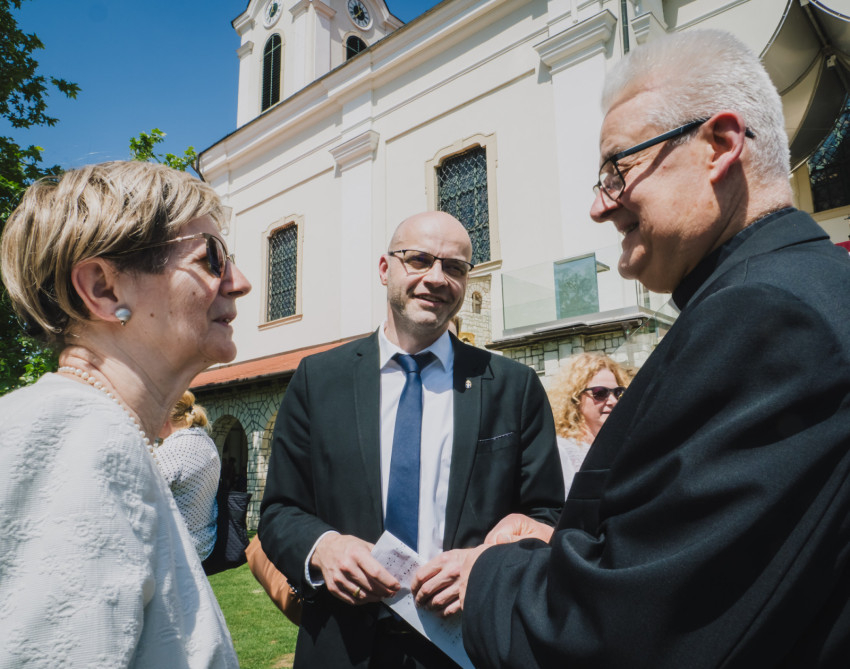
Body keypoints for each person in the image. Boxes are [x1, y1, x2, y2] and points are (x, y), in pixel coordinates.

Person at [457, 29, 850, 667]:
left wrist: (489, 572)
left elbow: (627, 633)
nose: (599, 206)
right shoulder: (803, 289)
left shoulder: (765, 319)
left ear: (719, 145)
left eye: (618, 169)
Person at [259, 211, 564, 668]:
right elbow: (280, 510)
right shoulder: (318, 380)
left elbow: (549, 516)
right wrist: (324, 547)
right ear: (385, 269)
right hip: (344, 646)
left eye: (454, 267)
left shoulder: (513, 387)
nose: (436, 278)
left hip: (467, 646)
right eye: (419, 259)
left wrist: (488, 566)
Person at [0, 161, 251, 667]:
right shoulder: (76, 437)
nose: (239, 283)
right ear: (104, 289)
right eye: (211, 258)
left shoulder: (106, 431)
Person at [547, 352, 630, 492]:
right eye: (600, 393)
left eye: (617, 392)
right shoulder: (562, 451)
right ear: (575, 398)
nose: (613, 401)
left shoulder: (623, 444)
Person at [157, 390, 220, 563]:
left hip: (176, 549)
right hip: (205, 542)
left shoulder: (172, 451)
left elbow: (141, 495)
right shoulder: (206, 442)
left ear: (164, 417)